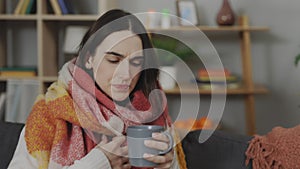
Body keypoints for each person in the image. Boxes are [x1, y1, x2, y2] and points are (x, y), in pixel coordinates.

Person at [8, 9, 187, 169]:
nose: (126, 74)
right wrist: (98, 163)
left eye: (136, 63)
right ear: (88, 58)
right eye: (113, 60)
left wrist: (169, 165)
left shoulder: (153, 109)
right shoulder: (49, 113)